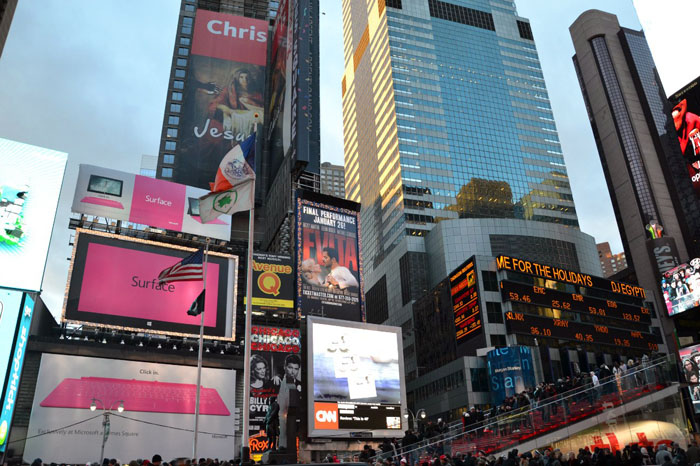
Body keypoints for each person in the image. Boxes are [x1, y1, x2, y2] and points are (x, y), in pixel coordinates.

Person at [276, 354, 302, 450]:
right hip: (278, 421)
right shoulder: (277, 382)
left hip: (296, 424)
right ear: (285, 367)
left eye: (296, 369)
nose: (293, 372)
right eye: (290, 367)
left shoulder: (302, 385)